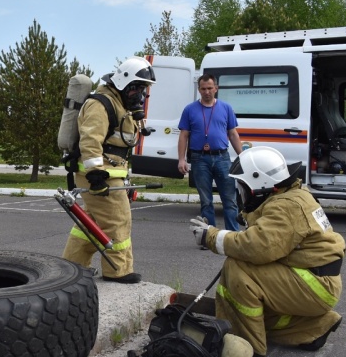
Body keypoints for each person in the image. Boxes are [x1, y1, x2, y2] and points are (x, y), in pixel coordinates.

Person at [189, 146, 345, 357]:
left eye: (243, 185)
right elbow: (271, 233)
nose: (240, 191)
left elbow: (256, 247)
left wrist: (210, 236)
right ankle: (315, 327)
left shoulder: (287, 206)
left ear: (258, 183)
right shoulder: (289, 197)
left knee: (239, 268)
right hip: (313, 278)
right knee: (256, 307)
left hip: (315, 285)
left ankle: (246, 345)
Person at [62, 56, 155, 284]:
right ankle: (118, 271)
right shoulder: (100, 103)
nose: (140, 95)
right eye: (137, 89)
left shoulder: (119, 103)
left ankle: (73, 266)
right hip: (98, 175)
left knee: (89, 224)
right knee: (118, 220)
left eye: (143, 90)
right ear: (124, 83)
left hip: (110, 174)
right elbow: (90, 140)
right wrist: (95, 176)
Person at [177, 74, 243, 233]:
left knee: (230, 200)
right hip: (199, 159)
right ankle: (208, 235)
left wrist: (243, 156)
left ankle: (232, 236)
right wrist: (181, 159)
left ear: (216, 88)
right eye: (203, 89)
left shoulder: (226, 108)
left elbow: (233, 134)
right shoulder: (189, 109)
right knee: (206, 201)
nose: (207, 92)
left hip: (222, 158)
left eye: (210, 88)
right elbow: (184, 135)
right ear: (199, 90)